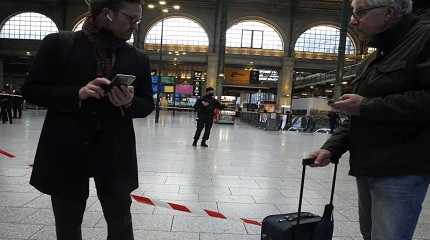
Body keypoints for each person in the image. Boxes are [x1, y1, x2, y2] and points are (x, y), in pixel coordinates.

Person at [22, 0, 154, 239]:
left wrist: (128, 103)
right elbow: (31, 90)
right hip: (67, 150)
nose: (135, 25)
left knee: (121, 223)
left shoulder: (137, 58)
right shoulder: (59, 44)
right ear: (107, 14)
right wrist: (77, 93)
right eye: (130, 18)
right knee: (68, 224)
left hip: (115, 152)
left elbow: (147, 104)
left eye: (138, 20)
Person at [309, 0, 430, 239]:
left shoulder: (424, 38)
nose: (353, 20)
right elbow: (359, 114)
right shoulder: (377, 56)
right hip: (369, 166)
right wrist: (332, 148)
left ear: (389, 12)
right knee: (371, 234)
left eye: (360, 13)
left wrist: (366, 106)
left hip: (400, 169)